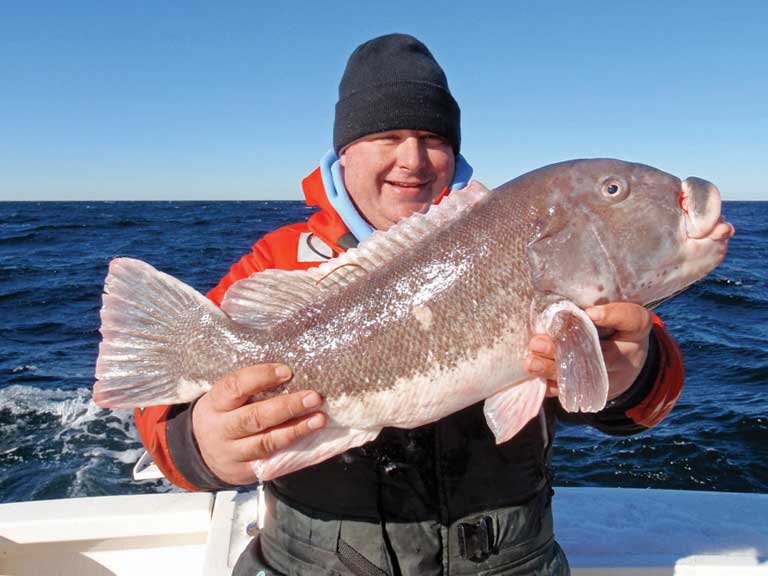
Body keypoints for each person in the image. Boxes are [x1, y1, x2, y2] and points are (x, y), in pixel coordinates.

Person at [135, 34, 686, 575]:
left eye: (432, 137)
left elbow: (646, 394)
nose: (413, 159)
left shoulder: (525, 239)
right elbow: (158, 408)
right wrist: (200, 444)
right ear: (345, 151)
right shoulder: (278, 259)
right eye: (387, 135)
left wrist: (632, 372)